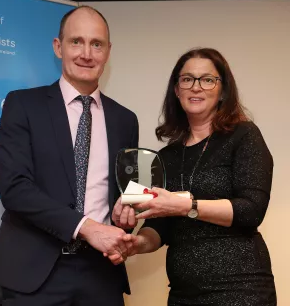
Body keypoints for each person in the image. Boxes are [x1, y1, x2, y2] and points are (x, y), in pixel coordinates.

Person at [0, 5, 139, 306]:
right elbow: (14, 188)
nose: (86, 53)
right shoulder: (23, 105)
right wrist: (87, 228)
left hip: (101, 275)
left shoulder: (125, 120)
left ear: (108, 52)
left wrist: (128, 214)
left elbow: (126, 193)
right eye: (76, 42)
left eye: (96, 44)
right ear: (58, 47)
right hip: (31, 275)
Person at [112, 48, 276, 305]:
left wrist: (187, 205)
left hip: (241, 290)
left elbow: (252, 210)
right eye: (187, 79)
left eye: (207, 79)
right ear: (177, 90)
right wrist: (137, 244)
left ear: (222, 91)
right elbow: (162, 227)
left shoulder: (244, 135)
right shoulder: (167, 156)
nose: (196, 87)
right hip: (182, 294)